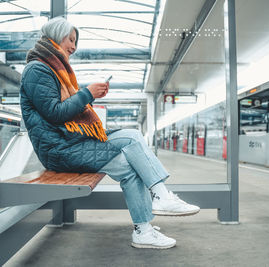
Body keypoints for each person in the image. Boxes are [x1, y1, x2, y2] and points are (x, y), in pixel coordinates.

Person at [20, 17, 200, 249]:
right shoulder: (38, 69)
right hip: (59, 150)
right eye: (71, 40)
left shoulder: (55, 70)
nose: (74, 47)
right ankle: (159, 201)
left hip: (71, 143)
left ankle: (145, 227)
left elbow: (65, 113)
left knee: (130, 165)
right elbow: (55, 113)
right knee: (132, 140)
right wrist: (87, 94)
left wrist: (88, 95)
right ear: (56, 34)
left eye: (76, 42)